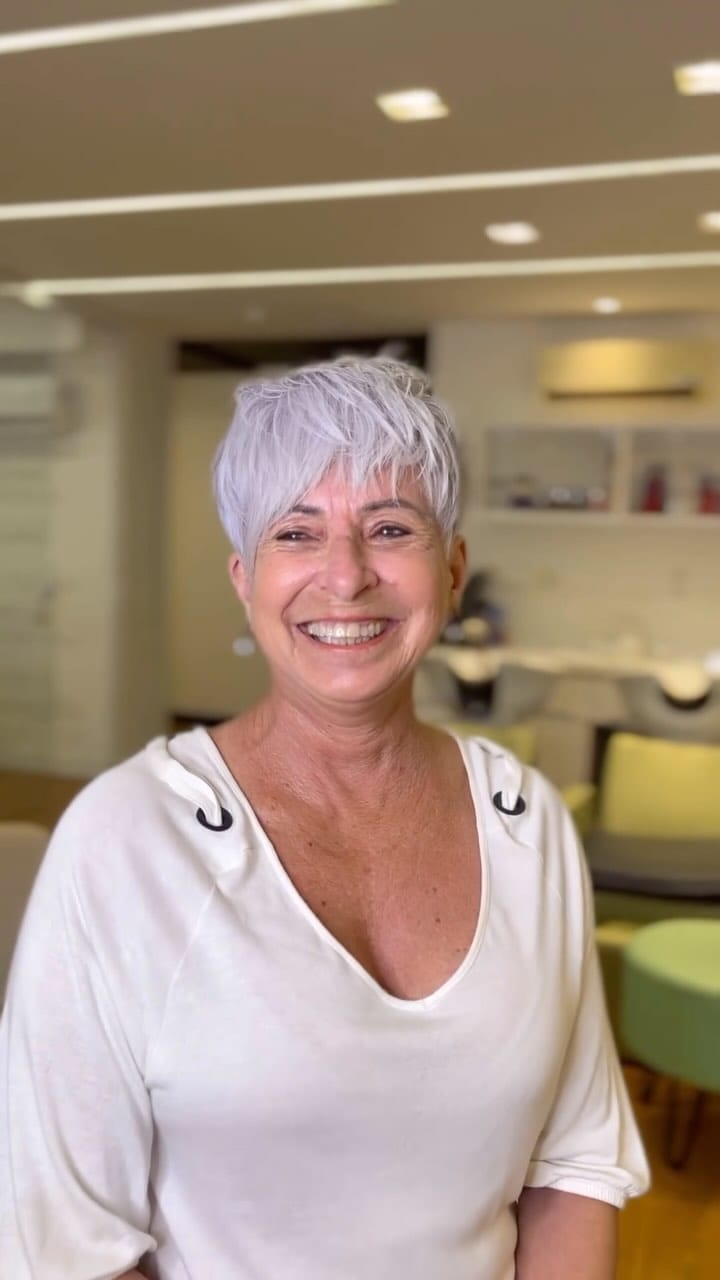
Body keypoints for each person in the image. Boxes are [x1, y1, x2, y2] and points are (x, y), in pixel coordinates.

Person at [0, 357, 648, 1279]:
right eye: (296, 533)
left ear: (452, 570)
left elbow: (574, 1164)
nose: (345, 576)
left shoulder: (528, 825)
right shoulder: (125, 839)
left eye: (390, 528)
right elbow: (64, 1246)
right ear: (245, 579)